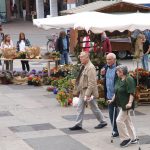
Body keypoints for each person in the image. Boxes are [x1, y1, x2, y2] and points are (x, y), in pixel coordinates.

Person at [69, 51, 107, 131]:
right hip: (83, 92)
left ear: (87, 58)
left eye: (82, 57)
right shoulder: (84, 66)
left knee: (94, 108)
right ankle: (78, 124)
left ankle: (103, 121)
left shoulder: (90, 67)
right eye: (80, 57)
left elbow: (92, 83)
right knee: (80, 107)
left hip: (89, 93)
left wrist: (87, 95)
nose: (80, 58)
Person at [108, 65, 137, 148]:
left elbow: (131, 92)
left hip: (126, 105)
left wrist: (130, 103)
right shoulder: (119, 79)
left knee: (119, 120)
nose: (116, 72)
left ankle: (126, 138)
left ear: (122, 72)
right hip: (121, 103)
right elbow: (116, 91)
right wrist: (112, 100)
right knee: (127, 121)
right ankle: (133, 138)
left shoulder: (129, 79)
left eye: (118, 71)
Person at [101, 53, 119, 137]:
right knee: (111, 113)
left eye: (109, 59)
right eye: (107, 59)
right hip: (109, 95)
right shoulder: (106, 67)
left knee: (119, 115)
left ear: (114, 60)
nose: (107, 61)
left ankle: (120, 130)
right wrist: (102, 74)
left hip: (117, 95)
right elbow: (104, 79)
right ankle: (115, 130)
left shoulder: (119, 68)